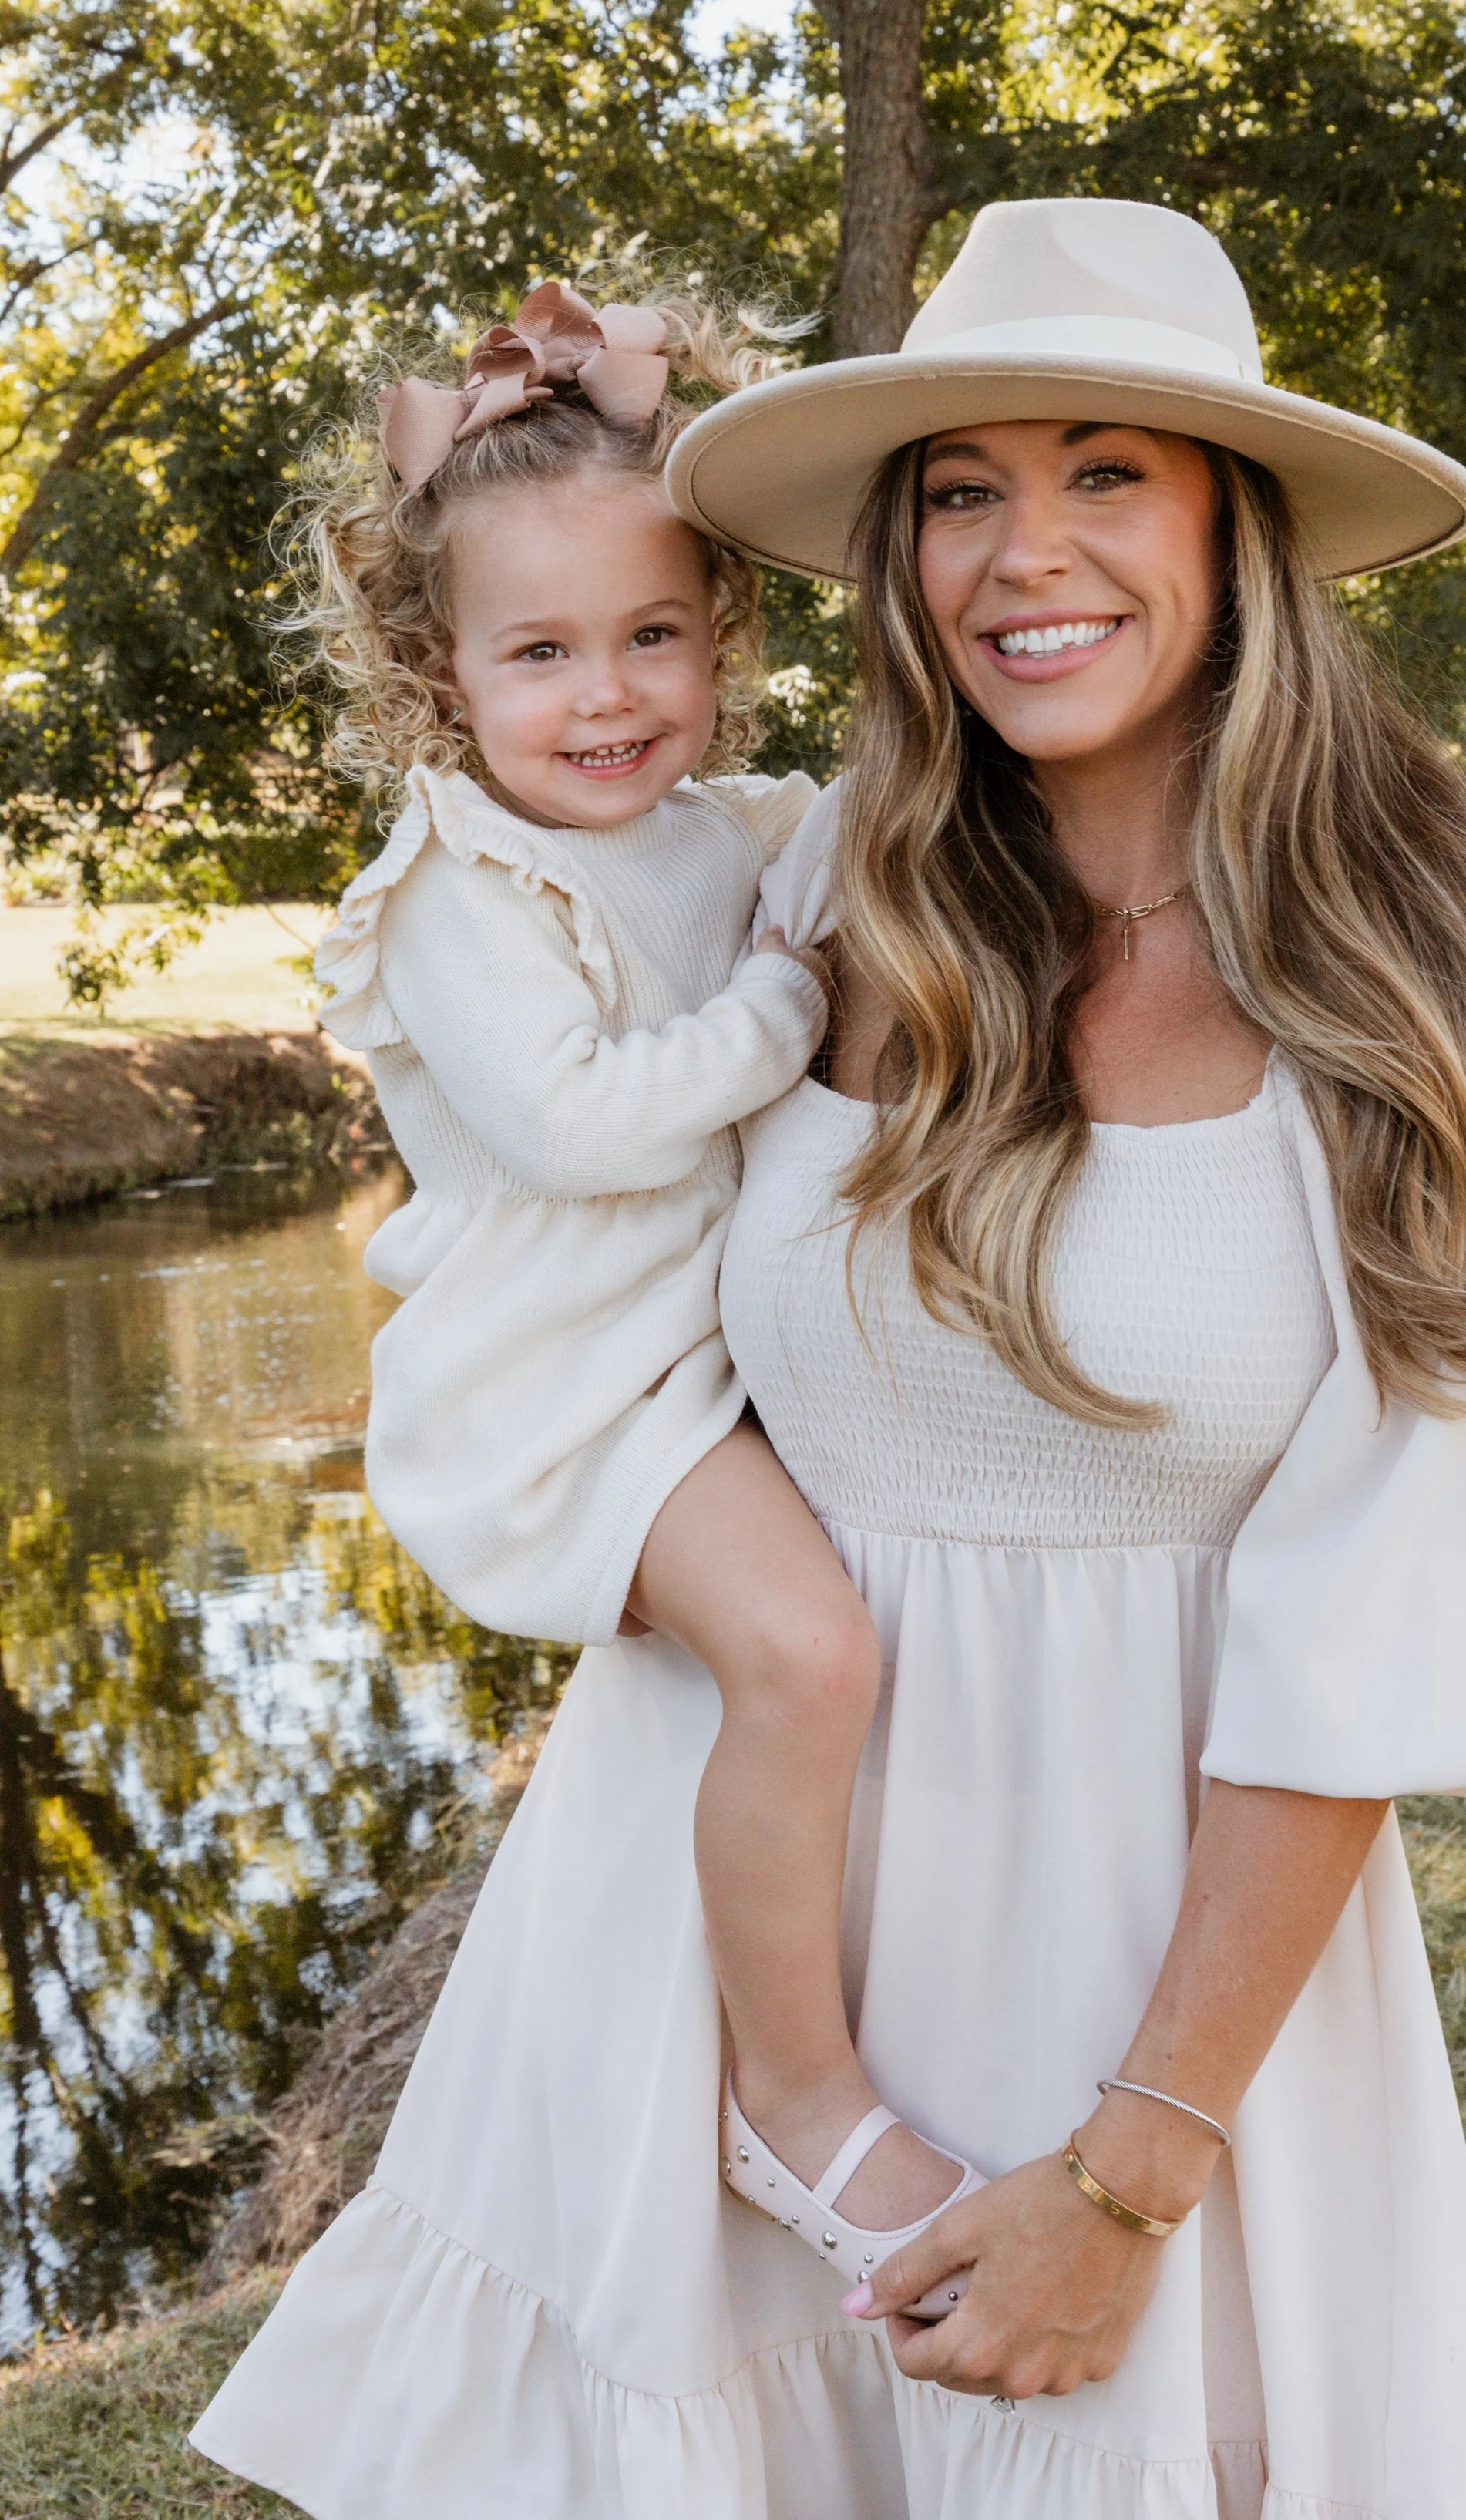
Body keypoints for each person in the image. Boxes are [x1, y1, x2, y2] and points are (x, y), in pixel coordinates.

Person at [194, 200, 1466, 2520]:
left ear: (1242, 522)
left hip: (1145, 2002)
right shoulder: (819, 894)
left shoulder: (1439, 974)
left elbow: (1378, 1635)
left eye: (1108, 471)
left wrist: (1125, 2177)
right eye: (964, 491)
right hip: (691, 1950)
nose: (1028, 551)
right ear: (899, 559)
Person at [293, 275, 985, 2318]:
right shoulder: (456, 892)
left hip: (713, 1365)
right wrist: (785, 994)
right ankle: (790, 2087)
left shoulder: (718, 830)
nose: (605, 695)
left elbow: (867, 827)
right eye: (540, 652)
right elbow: (595, 1124)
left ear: (717, 637)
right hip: (575, 1402)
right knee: (809, 1661)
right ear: (443, 669)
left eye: (652, 637)